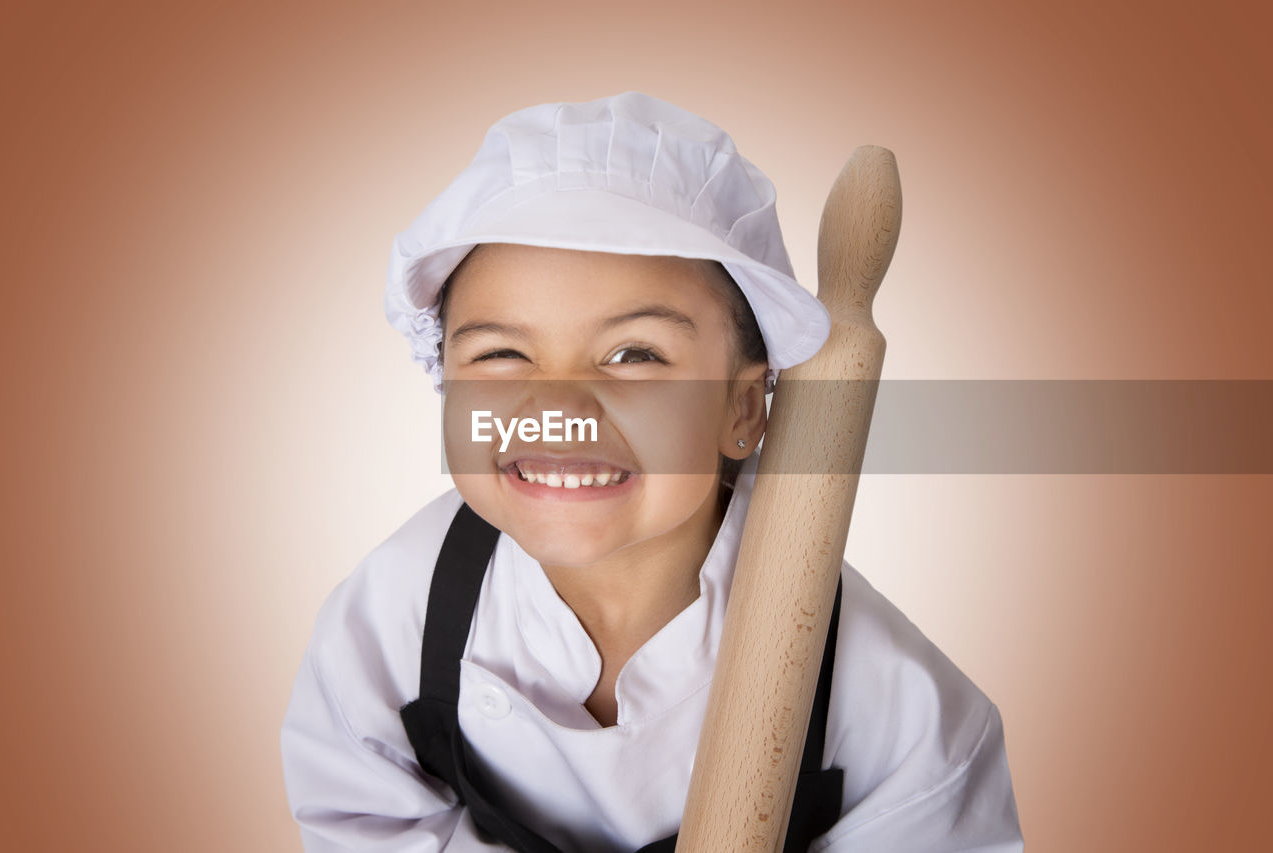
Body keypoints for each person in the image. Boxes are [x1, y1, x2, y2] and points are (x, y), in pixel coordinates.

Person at [280, 92, 1024, 852]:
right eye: (501, 354)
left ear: (743, 409)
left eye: (634, 355)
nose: (558, 406)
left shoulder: (892, 707)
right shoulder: (389, 620)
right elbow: (359, 816)